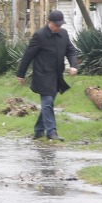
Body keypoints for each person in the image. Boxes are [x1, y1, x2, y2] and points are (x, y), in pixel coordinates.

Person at [17, 9, 80, 141]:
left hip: (57, 75)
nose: (58, 27)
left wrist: (74, 65)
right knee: (47, 102)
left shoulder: (64, 34)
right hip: (42, 75)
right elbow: (28, 55)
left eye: (60, 25)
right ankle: (51, 132)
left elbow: (71, 51)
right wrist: (21, 74)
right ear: (49, 22)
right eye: (56, 25)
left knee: (48, 104)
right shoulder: (39, 35)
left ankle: (38, 131)